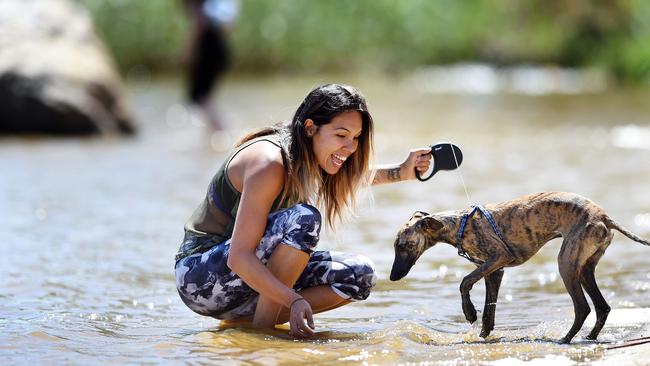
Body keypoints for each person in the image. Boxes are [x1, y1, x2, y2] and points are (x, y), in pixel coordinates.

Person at [174, 84, 432, 337]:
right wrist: (293, 300)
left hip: (244, 285)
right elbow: (239, 257)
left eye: (355, 138)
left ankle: (245, 327)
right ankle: (263, 335)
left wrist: (402, 171)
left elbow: (351, 175)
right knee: (304, 219)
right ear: (310, 128)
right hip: (200, 279)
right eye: (341, 136)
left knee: (359, 274)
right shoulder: (269, 163)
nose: (351, 147)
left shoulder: (307, 152)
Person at [182, 0, 239, 131]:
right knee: (204, 97)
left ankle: (223, 129)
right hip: (220, 47)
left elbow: (199, 24)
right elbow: (228, 26)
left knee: (199, 97)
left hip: (207, 49)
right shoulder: (220, 5)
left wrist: (188, 51)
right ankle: (214, 135)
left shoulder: (201, 4)